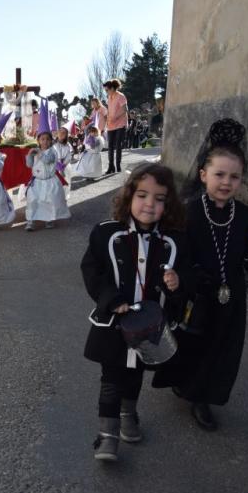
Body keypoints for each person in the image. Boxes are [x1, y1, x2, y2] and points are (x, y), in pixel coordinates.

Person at [152, 118, 248, 431]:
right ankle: (187, 386)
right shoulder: (189, 210)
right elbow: (175, 250)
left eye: (234, 176)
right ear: (203, 175)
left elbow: (247, 250)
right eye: (219, 174)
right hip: (195, 291)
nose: (226, 182)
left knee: (221, 347)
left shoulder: (244, 215)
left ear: (242, 180)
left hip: (230, 294)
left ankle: (203, 397)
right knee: (192, 344)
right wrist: (179, 279)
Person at [81, 163, 190, 461]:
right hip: (113, 326)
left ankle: (129, 414)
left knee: (135, 375)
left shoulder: (175, 241)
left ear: (168, 205)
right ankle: (107, 435)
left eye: (159, 199)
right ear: (129, 196)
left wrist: (177, 283)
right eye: (142, 195)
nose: (149, 204)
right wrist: (111, 298)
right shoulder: (106, 234)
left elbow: (187, 279)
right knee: (111, 378)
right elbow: (92, 271)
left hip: (149, 329)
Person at [23, 106, 70, 231]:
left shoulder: (52, 151)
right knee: (33, 200)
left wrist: (38, 154)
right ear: (38, 140)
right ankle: (30, 221)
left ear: (51, 141)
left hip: (50, 180)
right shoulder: (36, 151)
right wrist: (29, 155)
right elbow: (29, 165)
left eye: (47, 139)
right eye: (42, 139)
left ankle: (49, 219)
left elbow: (48, 160)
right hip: (37, 181)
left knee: (50, 200)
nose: (45, 142)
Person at [103, 79, 128, 175]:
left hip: (120, 124)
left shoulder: (121, 96)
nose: (106, 92)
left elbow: (124, 109)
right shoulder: (109, 98)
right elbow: (109, 111)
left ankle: (118, 166)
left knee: (118, 145)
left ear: (112, 88)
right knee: (110, 146)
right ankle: (111, 166)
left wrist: (114, 118)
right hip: (111, 125)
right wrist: (108, 120)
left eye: (107, 90)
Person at [52, 125, 74, 199]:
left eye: (64, 133)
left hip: (65, 165)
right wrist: (58, 165)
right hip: (55, 165)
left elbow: (69, 155)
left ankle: (64, 195)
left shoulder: (68, 145)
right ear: (57, 133)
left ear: (66, 135)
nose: (61, 134)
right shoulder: (53, 144)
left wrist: (63, 165)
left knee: (66, 180)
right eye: (60, 132)